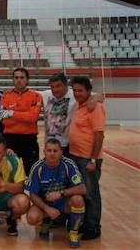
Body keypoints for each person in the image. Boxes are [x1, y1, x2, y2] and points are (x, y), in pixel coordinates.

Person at [26, 138, 86, 248]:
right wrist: (47, 209)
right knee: (31, 217)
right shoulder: (37, 168)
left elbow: (82, 188)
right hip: (46, 205)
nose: (52, 154)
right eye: (49, 151)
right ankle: (46, 220)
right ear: (44, 152)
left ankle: (74, 233)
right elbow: (32, 195)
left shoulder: (68, 164)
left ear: (61, 152)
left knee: (78, 199)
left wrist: (61, 193)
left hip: (64, 203)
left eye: (55, 151)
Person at [68, 76, 106, 240]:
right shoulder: (79, 105)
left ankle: (93, 228)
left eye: (80, 90)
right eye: (75, 90)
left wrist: (92, 159)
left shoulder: (94, 107)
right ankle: (84, 223)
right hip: (75, 156)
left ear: (89, 91)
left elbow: (99, 135)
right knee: (82, 193)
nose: (77, 93)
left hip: (87, 159)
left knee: (91, 194)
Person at [42, 73, 102, 156]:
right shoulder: (45, 94)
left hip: (67, 146)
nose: (55, 90)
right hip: (49, 145)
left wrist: (94, 98)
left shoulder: (75, 94)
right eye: (52, 87)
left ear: (67, 85)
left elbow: (99, 96)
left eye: (58, 86)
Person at [0, 67, 42, 174]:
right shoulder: (5, 96)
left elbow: (33, 118)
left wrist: (12, 113)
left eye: (22, 77)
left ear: (27, 80)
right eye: (16, 77)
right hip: (10, 140)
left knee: (32, 172)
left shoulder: (36, 96)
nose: (19, 80)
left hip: (29, 140)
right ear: (13, 79)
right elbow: (5, 121)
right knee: (10, 173)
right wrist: (25, 115)